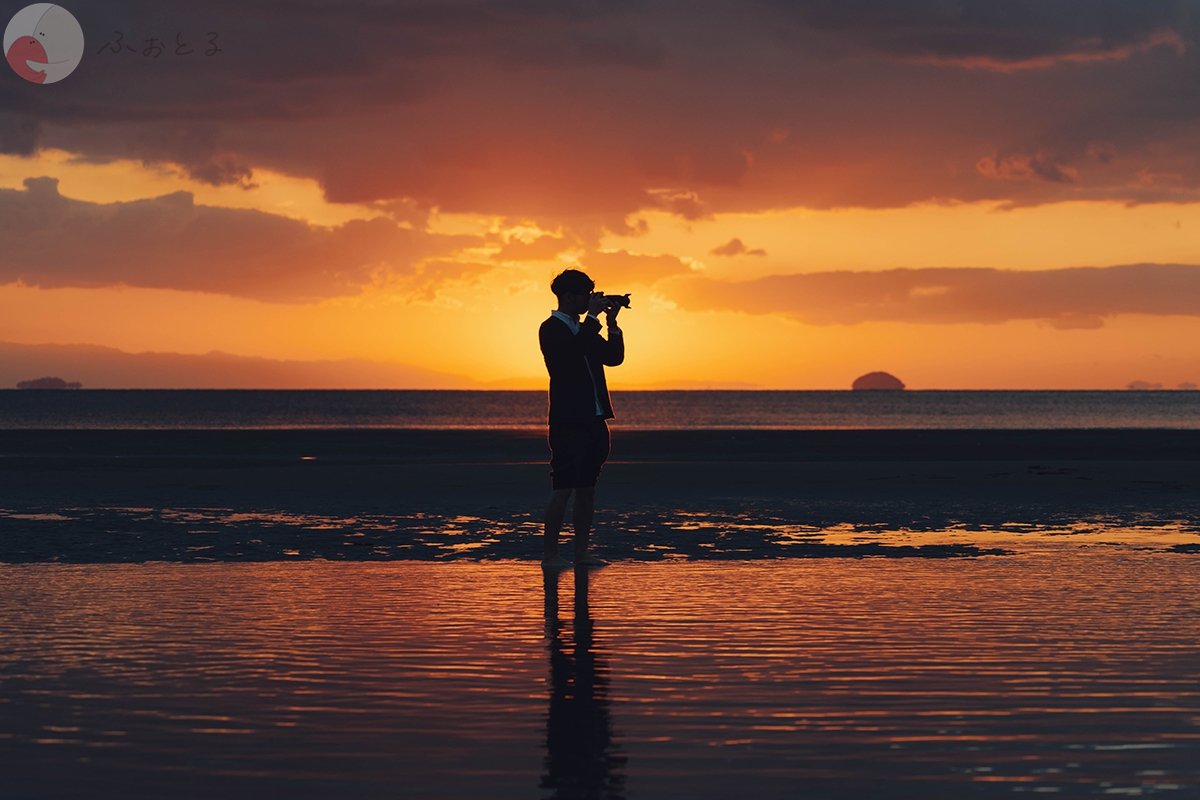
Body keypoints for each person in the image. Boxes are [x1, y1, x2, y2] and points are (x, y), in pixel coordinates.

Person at [538, 268, 625, 569]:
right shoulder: (551, 329)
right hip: (567, 423)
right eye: (585, 295)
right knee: (562, 488)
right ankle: (550, 556)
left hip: (594, 420)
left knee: (587, 490)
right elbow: (570, 357)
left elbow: (613, 358)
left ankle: (580, 554)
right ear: (569, 297)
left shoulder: (583, 329)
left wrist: (612, 325)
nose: (589, 300)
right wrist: (592, 321)